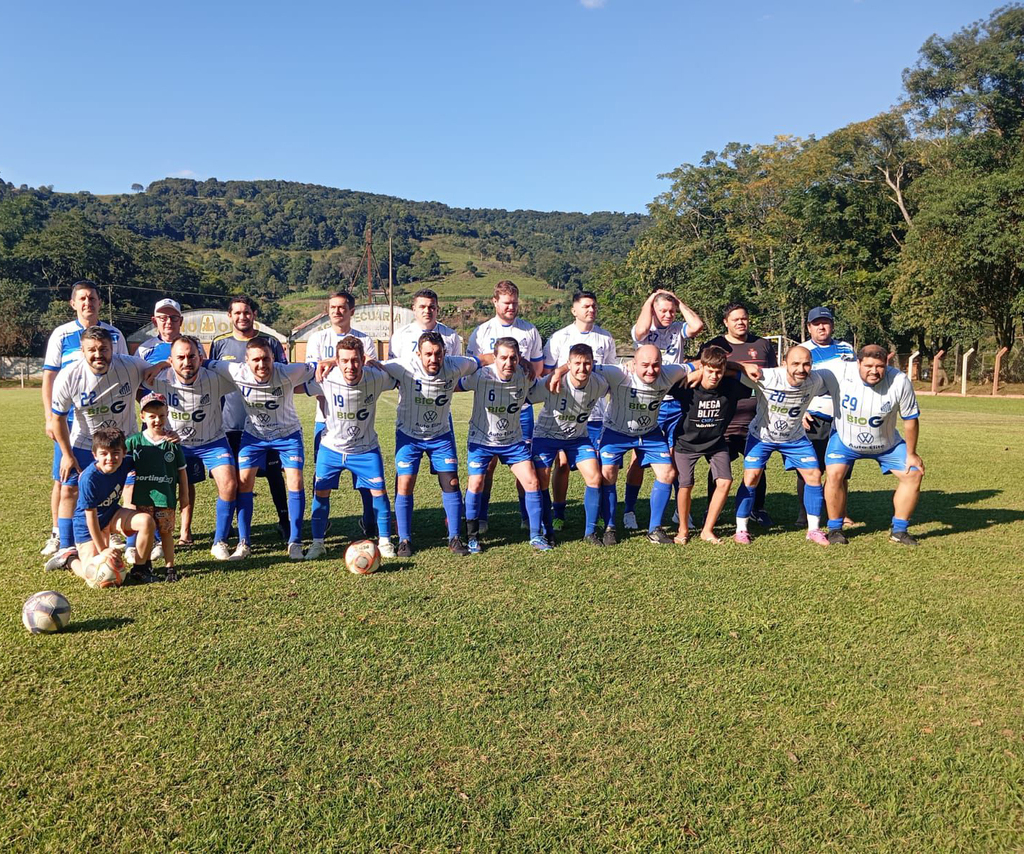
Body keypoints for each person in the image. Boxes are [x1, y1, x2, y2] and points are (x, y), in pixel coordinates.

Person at [46, 327, 164, 570]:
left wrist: (163, 364)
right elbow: (58, 419)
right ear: (82, 351)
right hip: (85, 444)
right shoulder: (69, 376)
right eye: (92, 350)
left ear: (113, 349)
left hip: (124, 443)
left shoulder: (130, 365)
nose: (98, 354)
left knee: (132, 490)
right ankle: (67, 547)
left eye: (104, 349)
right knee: (69, 490)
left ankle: (131, 545)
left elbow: (156, 371)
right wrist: (67, 454)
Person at [554, 344, 693, 545]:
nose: (651, 370)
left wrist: (702, 372)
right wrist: (559, 372)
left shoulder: (670, 372)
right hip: (616, 432)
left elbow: (698, 365)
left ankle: (655, 529)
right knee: (607, 473)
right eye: (645, 365)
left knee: (668, 473)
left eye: (656, 365)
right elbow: (584, 365)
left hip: (649, 432)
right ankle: (610, 527)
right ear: (633, 364)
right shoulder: (618, 373)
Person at [40, 280, 128, 556]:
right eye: (82, 298)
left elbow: (125, 370)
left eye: (92, 298)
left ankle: (109, 531)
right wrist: (49, 416)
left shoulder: (115, 335)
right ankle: (59, 536)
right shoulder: (62, 334)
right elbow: (50, 377)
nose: (87, 302)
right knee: (66, 479)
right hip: (69, 420)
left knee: (112, 477)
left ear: (100, 302)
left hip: (107, 421)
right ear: (73, 303)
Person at [211, 337, 316, 560]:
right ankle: (244, 543)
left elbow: (316, 367)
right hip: (254, 436)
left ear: (273, 358)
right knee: (243, 482)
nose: (261, 364)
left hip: (288, 435)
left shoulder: (288, 372)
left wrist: (329, 363)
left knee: (295, 481)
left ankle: (295, 542)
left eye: (266, 359)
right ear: (246, 361)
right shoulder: (235, 371)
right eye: (256, 360)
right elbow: (204, 363)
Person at [380, 331, 478, 557]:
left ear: (445, 353)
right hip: (409, 436)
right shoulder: (402, 366)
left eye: (438, 354)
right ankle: (404, 540)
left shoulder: (455, 365)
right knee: (405, 483)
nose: (434, 359)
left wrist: (521, 362)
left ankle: (455, 537)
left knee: (451, 482)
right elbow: (374, 365)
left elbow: (480, 361)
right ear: (418, 354)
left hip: (440, 436)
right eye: (428, 354)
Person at [147, 336, 243, 560]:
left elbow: (243, 374)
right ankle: (159, 540)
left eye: (192, 356)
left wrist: (212, 363)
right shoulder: (159, 379)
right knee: (158, 488)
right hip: (175, 443)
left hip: (212, 441)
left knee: (229, 484)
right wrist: (158, 365)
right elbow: (136, 379)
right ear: (171, 360)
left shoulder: (215, 379)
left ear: (200, 358)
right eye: (180, 357)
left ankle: (220, 541)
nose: (186, 362)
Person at [817, 344, 924, 546]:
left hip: (886, 444)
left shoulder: (900, 381)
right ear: (857, 363)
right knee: (834, 475)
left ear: (887, 364)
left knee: (913, 473)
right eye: (868, 366)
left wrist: (911, 453)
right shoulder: (839, 370)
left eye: (880, 366)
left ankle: (899, 531)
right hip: (845, 440)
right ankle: (835, 529)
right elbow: (803, 377)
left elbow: (910, 419)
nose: (874, 371)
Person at [305, 336, 397, 560]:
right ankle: (317, 543)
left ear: (363, 360)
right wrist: (322, 364)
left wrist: (380, 363)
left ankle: (385, 542)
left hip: (365, 449)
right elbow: (296, 382)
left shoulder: (377, 377)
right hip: (331, 448)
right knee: (321, 492)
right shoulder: (326, 377)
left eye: (355, 360)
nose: (350, 366)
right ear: (337, 361)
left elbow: (400, 373)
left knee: (379, 492)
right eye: (344, 361)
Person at [208, 296, 291, 542]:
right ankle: (231, 525)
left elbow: (284, 377)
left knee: (274, 474)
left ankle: (284, 521)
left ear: (254, 314)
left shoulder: (270, 342)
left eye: (247, 312)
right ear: (229, 316)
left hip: (267, 424)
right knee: (232, 477)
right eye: (237, 313)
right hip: (230, 424)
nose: (242, 317)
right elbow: (212, 380)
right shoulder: (219, 343)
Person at [467, 281, 544, 532]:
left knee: (525, 465)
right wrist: (492, 359)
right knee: (486, 467)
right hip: (490, 408)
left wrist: (525, 366)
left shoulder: (529, 330)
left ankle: (526, 516)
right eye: (506, 303)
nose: (511, 307)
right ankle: (481, 517)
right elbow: (470, 365)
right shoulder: (481, 331)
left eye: (514, 302)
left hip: (521, 410)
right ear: (495, 302)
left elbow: (537, 369)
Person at [732, 346, 829, 545]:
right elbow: (726, 369)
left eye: (806, 364)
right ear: (784, 363)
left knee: (814, 475)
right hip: (762, 436)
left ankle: (813, 530)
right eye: (795, 363)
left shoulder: (816, 380)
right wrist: (743, 366)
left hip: (794, 438)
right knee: (752, 477)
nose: (801, 369)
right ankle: (741, 529)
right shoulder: (766, 377)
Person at [460, 338, 548, 553]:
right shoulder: (481, 375)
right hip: (481, 441)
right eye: (503, 358)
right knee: (476, 483)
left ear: (519, 358)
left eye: (513, 358)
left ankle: (536, 535)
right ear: (494, 358)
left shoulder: (524, 376)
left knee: (532, 482)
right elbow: (453, 385)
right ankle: (472, 537)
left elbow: (542, 388)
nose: (508, 363)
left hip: (512, 442)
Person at [541, 290, 617, 531]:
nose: (591, 310)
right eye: (585, 306)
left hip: (595, 415)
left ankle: (600, 515)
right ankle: (559, 513)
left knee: (599, 467)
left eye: (593, 306)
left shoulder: (605, 337)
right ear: (574, 310)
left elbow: (610, 373)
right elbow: (548, 373)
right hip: (564, 415)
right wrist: (562, 371)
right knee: (562, 465)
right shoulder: (559, 337)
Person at [304, 291, 378, 537]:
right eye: (333, 307)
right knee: (322, 478)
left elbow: (368, 368)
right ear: (327, 310)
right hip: (325, 420)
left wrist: (332, 363)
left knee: (365, 478)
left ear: (351, 311)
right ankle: (321, 524)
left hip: (359, 420)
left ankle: (370, 521)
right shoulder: (317, 338)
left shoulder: (364, 339)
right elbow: (314, 374)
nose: (337, 311)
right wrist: (331, 365)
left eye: (342, 307)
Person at [45, 428, 159, 585]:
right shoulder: (89, 479)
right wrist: (103, 549)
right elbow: (90, 518)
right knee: (95, 577)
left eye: (115, 453)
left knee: (146, 521)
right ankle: (69, 560)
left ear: (124, 452)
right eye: (104, 454)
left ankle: (140, 569)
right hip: (87, 527)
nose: (110, 458)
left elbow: (150, 453)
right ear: (95, 455)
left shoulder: (125, 462)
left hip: (111, 514)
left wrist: (165, 437)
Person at [700, 303, 778, 525]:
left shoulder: (762, 345)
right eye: (735, 319)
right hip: (724, 418)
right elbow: (703, 373)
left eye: (744, 318)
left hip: (757, 418)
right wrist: (741, 366)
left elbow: (773, 378)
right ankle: (712, 510)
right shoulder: (714, 345)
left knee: (757, 465)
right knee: (718, 465)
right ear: (726, 322)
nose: (741, 322)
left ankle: (757, 508)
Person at [667, 345, 748, 544]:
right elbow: (664, 378)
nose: (714, 376)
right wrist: (693, 370)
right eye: (710, 371)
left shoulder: (732, 386)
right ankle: (683, 529)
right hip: (686, 443)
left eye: (719, 371)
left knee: (725, 481)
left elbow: (753, 375)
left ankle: (707, 530)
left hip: (716, 443)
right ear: (702, 367)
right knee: (686, 484)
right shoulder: (687, 385)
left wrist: (731, 369)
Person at [529, 343, 609, 545]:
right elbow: (527, 397)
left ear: (593, 364)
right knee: (542, 479)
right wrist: (557, 372)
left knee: (595, 477)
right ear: (569, 364)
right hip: (546, 436)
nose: (582, 368)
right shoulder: (553, 382)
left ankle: (590, 532)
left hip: (577, 438)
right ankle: (548, 530)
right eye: (577, 363)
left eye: (587, 363)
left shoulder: (599, 384)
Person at [134, 297, 200, 545]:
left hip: (188, 428)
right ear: (155, 321)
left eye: (173, 317)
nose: (168, 322)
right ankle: (154, 532)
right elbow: (137, 387)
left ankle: (185, 531)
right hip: (155, 428)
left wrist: (165, 363)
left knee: (186, 479)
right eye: (163, 318)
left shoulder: (193, 346)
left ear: (181, 320)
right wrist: (153, 414)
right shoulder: (144, 350)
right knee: (153, 479)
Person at [795, 306, 856, 526]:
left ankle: (840, 513)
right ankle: (805, 514)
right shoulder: (803, 350)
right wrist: (800, 410)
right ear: (809, 327)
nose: (822, 327)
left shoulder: (846, 348)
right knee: (810, 469)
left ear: (832, 325)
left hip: (843, 418)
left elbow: (855, 380)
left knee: (841, 469)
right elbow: (793, 383)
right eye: (816, 323)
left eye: (826, 322)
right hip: (814, 417)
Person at [125, 394, 188, 581]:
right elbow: (122, 468)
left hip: (166, 498)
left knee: (166, 533)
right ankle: (143, 565)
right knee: (144, 531)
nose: (157, 420)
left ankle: (170, 568)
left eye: (161, 415)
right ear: (142, 417)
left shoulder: (172, 444)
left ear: (167, 414)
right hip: (142, 497)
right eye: (152, 416)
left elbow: (182, 472)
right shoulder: (134, 441)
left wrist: (184, 495)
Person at [388, 288, 463, 361]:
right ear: (414, 309)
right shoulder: (400, 335)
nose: (427, 311)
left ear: (437, 309)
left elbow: (456, 366)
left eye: (431, 307)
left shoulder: (451, 335)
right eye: (422, 307)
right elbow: (392, 366)